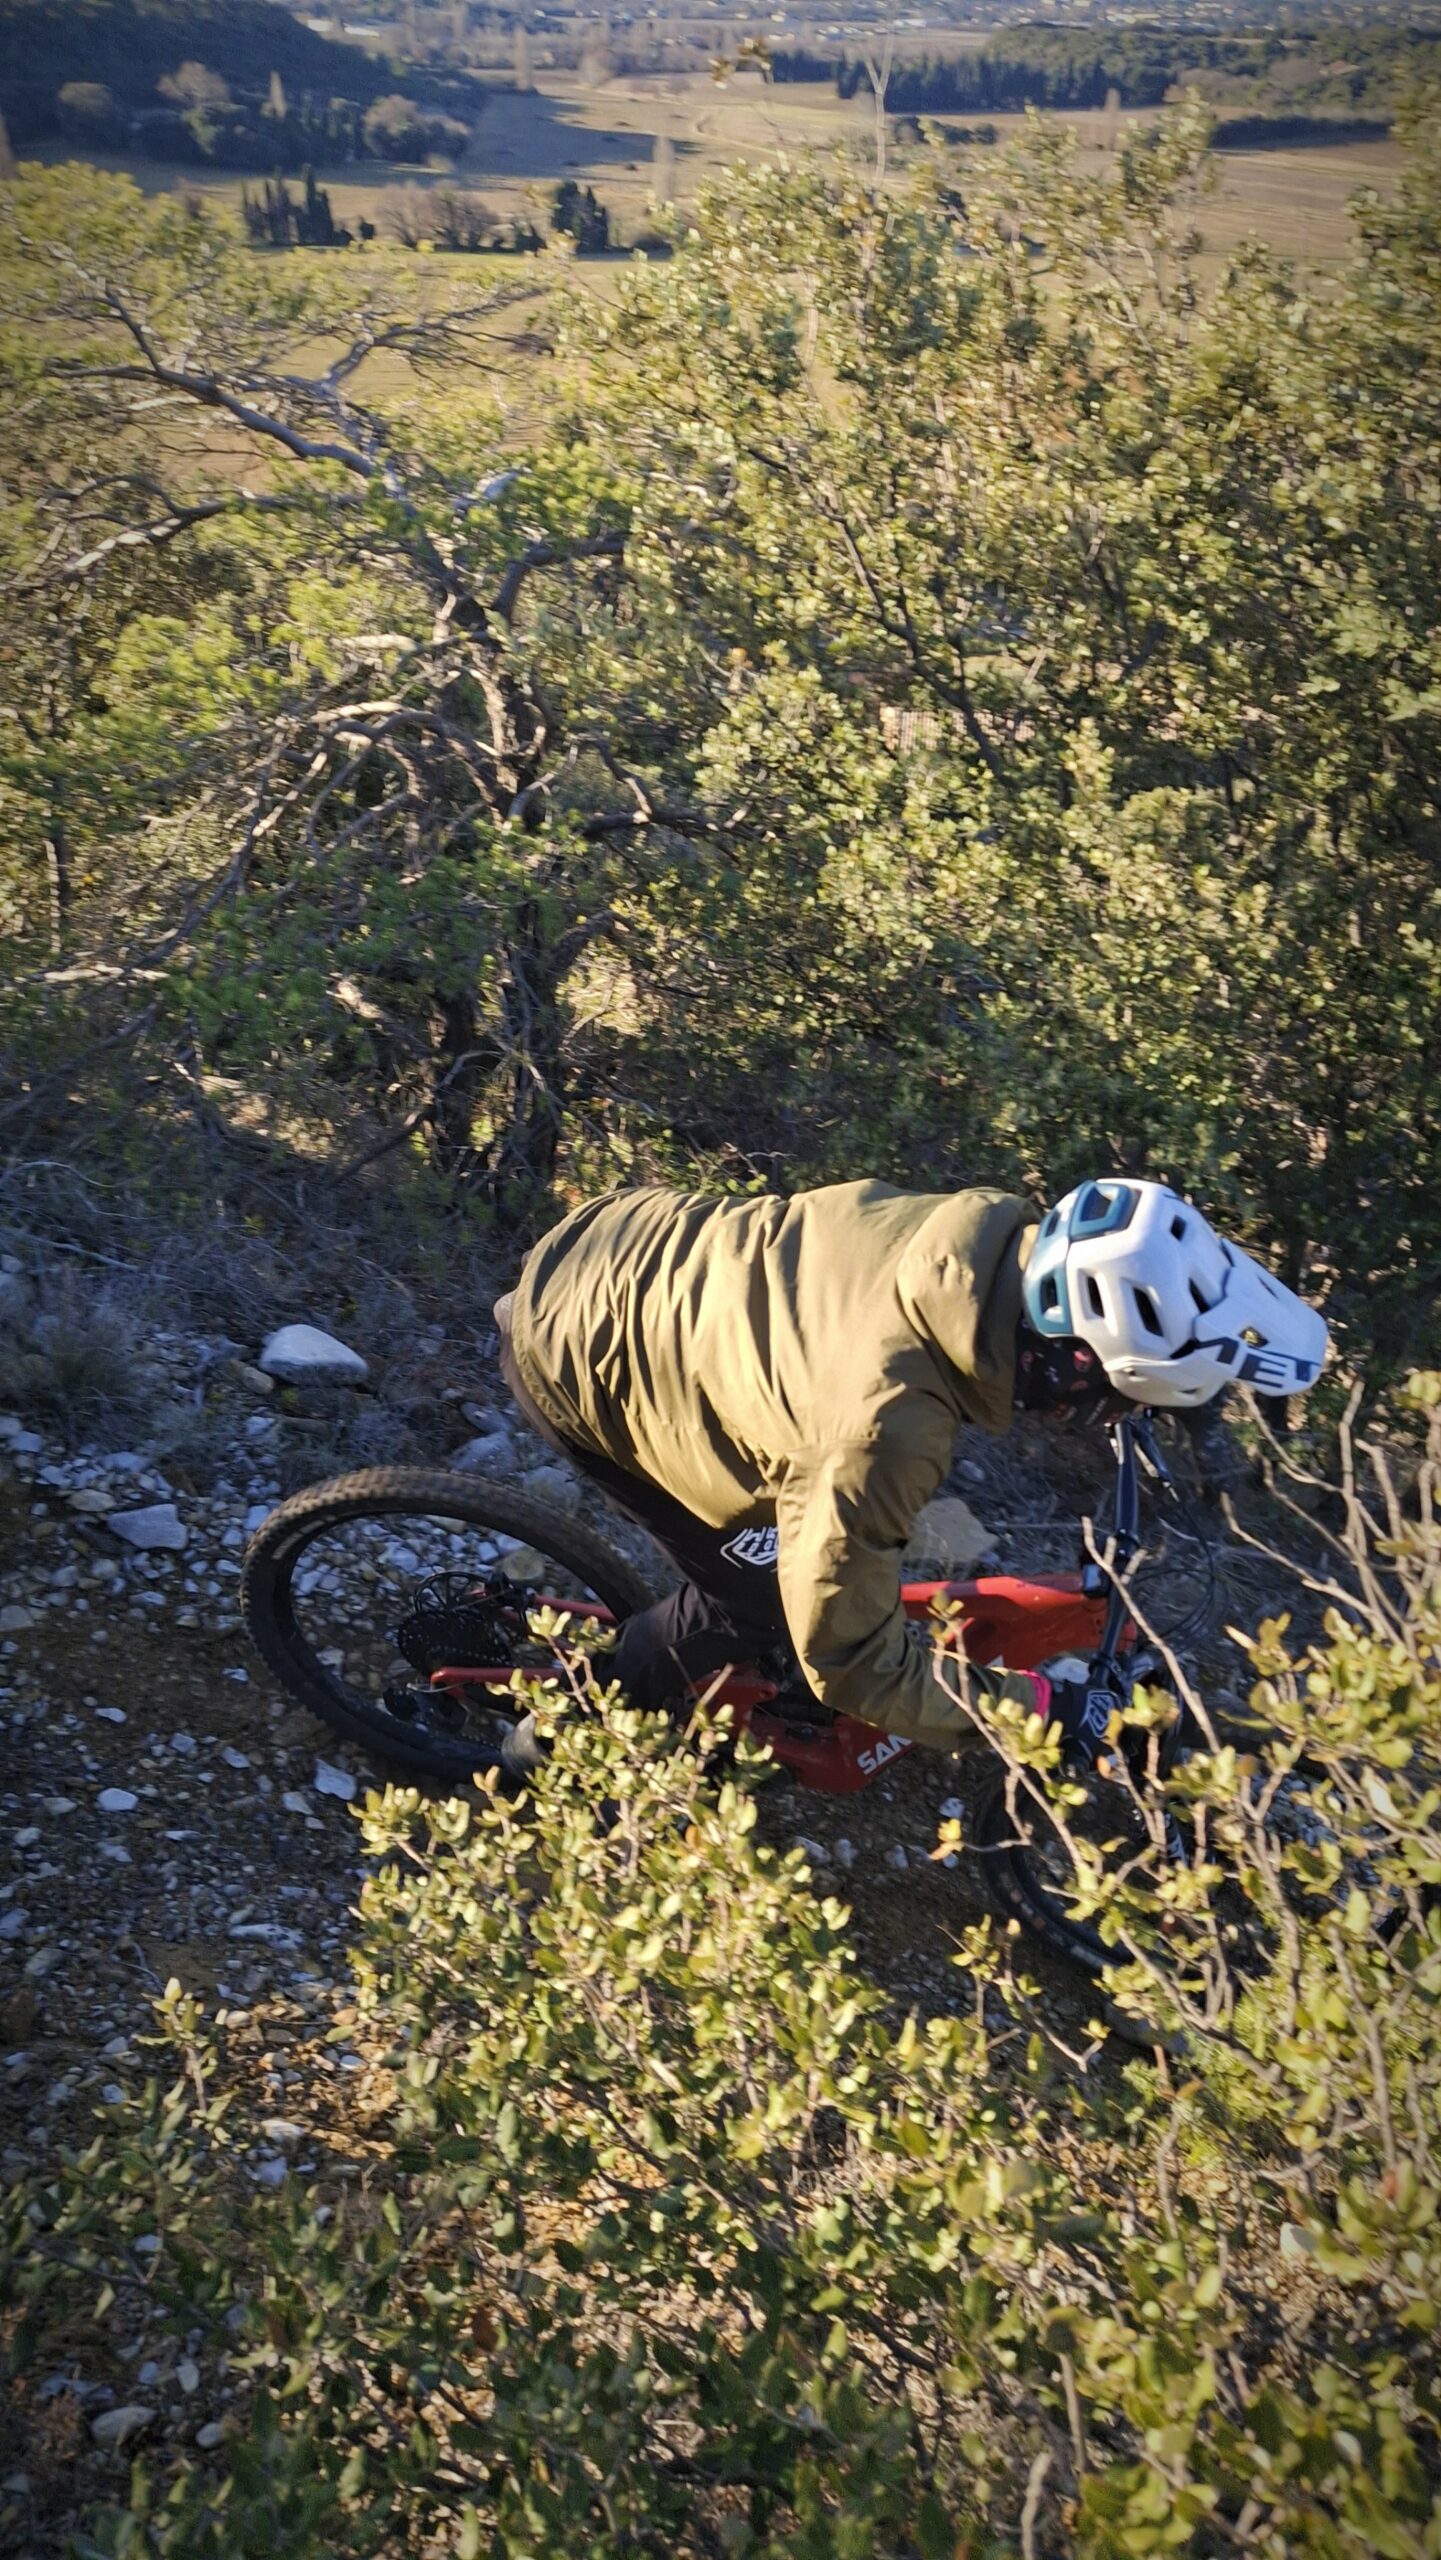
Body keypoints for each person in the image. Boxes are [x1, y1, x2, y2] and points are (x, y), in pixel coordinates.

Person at [494, 1176, 1328, 1772]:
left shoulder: (976, 1242)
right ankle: (558, 1731)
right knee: (747, 1605)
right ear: (1076, 1361)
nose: (1100, 1419)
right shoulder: (883, 1430)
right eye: (1112, 1400)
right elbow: (852, 1661)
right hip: (572, 1354)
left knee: (817, 1553)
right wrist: (1040, 1711)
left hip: (629, 1239)